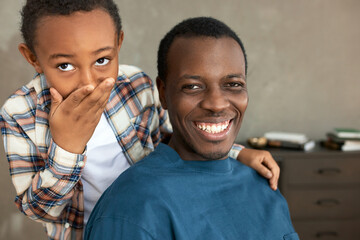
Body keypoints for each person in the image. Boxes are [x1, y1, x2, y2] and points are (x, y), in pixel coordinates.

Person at [0, 1, 279, 239]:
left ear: (118, 43)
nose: (88, 82)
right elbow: (39, 211)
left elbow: (173, 137)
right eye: (65, 66)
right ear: (33, 58)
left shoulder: (136, 85)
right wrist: (67, 147)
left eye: (102, 60)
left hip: (148, 222)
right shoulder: (19, 114)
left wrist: (236, 152)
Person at [85, 17, 299, 240]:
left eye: (233, 84)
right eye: (192, 87)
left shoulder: (264, 187)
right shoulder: (132, 207)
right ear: (163, 93)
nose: (216, 104)